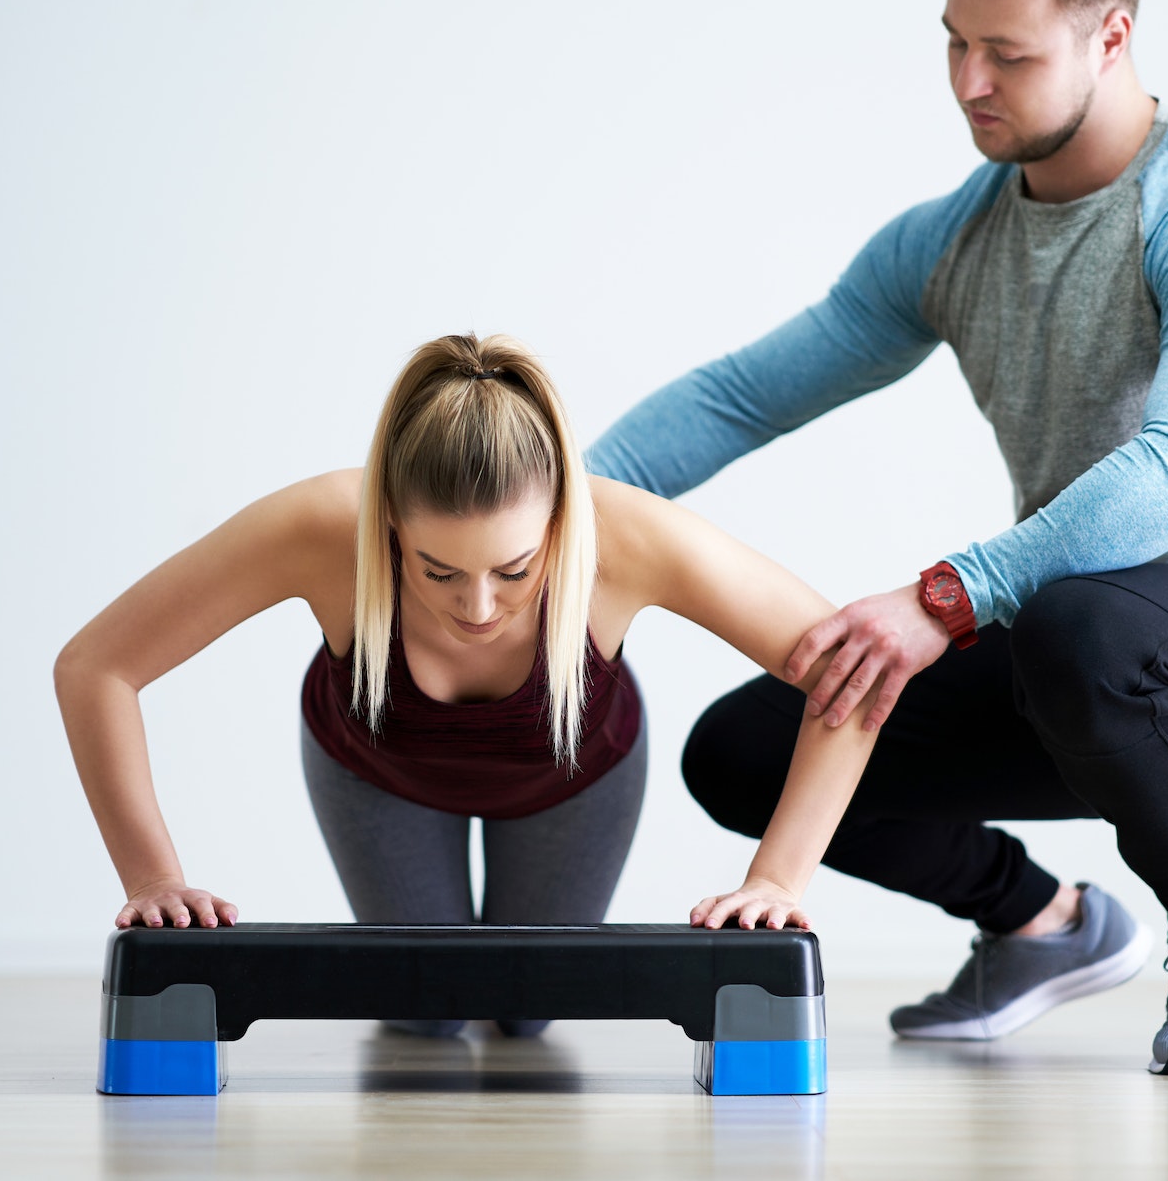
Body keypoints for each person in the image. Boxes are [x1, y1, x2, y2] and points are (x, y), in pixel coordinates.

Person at [587, 0, 1168, 1076]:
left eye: (1007, 54)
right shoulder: (953, 237)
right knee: (743, 750)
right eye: (954, 42)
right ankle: (1040, 921)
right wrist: (539, 518)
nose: (967, 83)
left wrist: (945, 597)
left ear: (1111, 37)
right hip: (1067, 647)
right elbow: (741, 397)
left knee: (1079, 623)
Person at [53, 332, 880, 1038]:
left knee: (529, 1012)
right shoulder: (320, 527)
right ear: (387, 521)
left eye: (514, 571)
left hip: (573, 774)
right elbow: (97, 666)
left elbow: (852, 675)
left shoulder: (628, 536)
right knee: (428, 1014)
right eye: (437, 571)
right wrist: (152, 880)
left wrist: (777, 879)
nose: (478, 607)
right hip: (376, 770)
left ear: (560, 521)